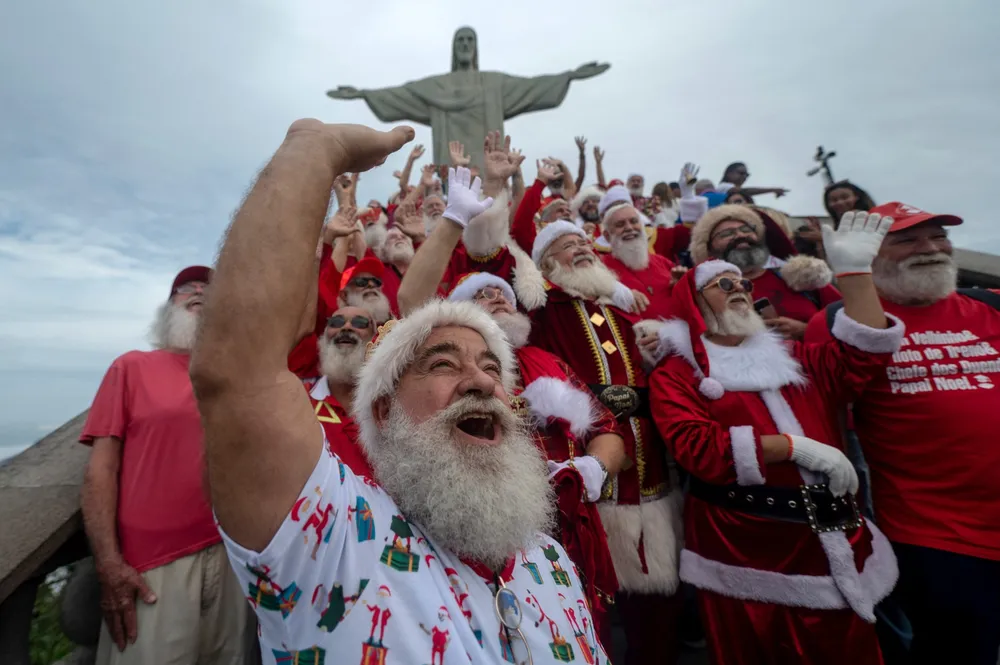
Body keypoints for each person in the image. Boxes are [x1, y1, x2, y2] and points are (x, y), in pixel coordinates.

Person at [190, 118, 609, 664]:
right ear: (383, 410)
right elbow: (236, 374)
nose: (482, 380)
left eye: (492, 368)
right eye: (442, 363)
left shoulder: (549, 559)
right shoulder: (338, 543)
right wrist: (316, 150)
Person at [643, 210, 904, 664]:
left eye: (743, 284)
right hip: (746, 548)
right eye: (724, 286)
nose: (741, 290)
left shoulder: (795, 355)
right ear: (695, 303)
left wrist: (856, 277)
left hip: (838, 539)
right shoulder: (679, 374)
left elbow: (861, 360)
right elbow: (697, 450)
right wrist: (794, 448)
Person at [805, 202, 1000, 665]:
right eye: (908, 240)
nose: (930, 248)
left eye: (938, 237)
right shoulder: (833, 321)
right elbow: (834, 393)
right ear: (870, 254)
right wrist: (853, 280)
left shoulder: (992, 305)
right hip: (937, 538)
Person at [529, 219, 684, 665]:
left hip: (650, 463)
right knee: (591, 604)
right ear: (545, 263)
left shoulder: (621, 308)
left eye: (583, 242)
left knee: (657, 605)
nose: (581, 248)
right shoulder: (541, 309)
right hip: (586, 462)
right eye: (565, 245)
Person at [80, 266, 247, 665]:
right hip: (153, 568)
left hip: (232, 557)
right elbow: (100, 471)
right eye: (186, 288)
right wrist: (108, 562)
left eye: (210, 289)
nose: (199, 292)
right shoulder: (132, 367)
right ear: (168, 305)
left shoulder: (234, 377)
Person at [689, 203, 840, 337]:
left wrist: (806, 330)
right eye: (727, 234)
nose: (740, 235)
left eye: (746, 229)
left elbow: (848, 320)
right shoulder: (706, 293)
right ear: (708, 248)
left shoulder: (802, 276)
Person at [599, 184, 685, 320]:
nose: (629, 228)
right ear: (607, 236)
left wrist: (683, 284)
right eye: (620, 224)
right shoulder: (600, 266)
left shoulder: (662, 261)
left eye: (634, 221)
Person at [310, 305, 376, 476]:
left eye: (359, 323)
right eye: (336, 322)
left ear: (374, 339)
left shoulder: (387, 405)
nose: (346, 327)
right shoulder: (299, 400)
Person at [337, 255, 393, 324]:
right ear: (344, 295)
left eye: (375, 281)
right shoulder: (342, 329)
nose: (371, 285)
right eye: (361, 281)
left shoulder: (395, 323)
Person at [716, 161, 788, 199]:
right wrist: (773, 189)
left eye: (747, 175)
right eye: (741, 173)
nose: (744, 177)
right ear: (729, 174)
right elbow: (744, 191)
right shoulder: (723, 187)